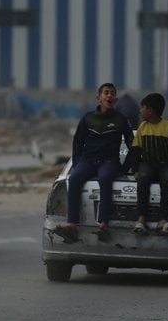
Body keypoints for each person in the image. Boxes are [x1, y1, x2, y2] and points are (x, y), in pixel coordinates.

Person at [54, 82, 133, 243]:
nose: (109, 95)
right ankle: (72, 226)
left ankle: (103, 225)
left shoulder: (121, 119)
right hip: (88, 160)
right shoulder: (88, 118)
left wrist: (125, 167)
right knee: (74, 179)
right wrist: (77, 163)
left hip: (109, 161)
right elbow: (78, 142)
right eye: (106, 92)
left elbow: (132, 144)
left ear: (115, 99)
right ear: (99, 98)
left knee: (105, 179)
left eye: (112, 93)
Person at [122, 92, 168, 235]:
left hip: (166, 164)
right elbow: (135, 151)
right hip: (148, 163)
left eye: (142, 107)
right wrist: (135, 170)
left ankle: (162, 219)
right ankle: (141, 218)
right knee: (143, 180)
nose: (140, 110)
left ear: (150, 110)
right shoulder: (142, 127)